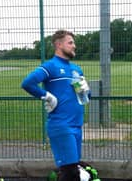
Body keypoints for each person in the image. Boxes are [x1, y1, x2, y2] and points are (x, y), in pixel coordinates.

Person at [21, 30, 90, 181]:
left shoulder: (76, 69)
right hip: (61, 125)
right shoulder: (51, 66)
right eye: (70, 42)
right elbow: (27, 83)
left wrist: (85, 90)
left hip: (77, 125)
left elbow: (85, 97)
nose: (74, 46)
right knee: (70, 172)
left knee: (73, 171)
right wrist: (46, 96)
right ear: (58, 45)